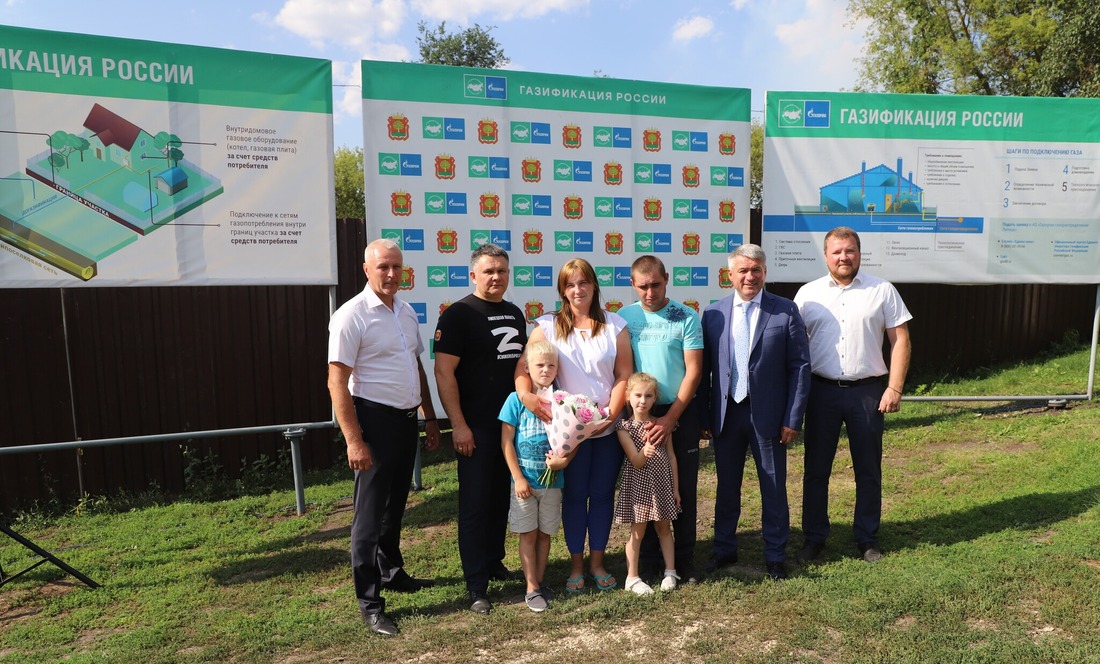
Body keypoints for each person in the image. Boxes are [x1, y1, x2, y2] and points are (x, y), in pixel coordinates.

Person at [327, 238, 442, 637]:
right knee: (368, 517)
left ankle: (392, 572)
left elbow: (416, 367)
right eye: (383, 267)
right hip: (373, 424)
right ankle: (370, 602)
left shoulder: (406, 311)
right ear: (366, 269)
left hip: (406, 422)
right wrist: (354, 440)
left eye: (397, 266)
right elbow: (336, 382)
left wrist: (429, 416)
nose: (392, 274)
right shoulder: (351, 316)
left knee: (395, 506)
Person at [794, 226, 912, 563]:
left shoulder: (882, 290)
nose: (844, 257)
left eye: (850, 251)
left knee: (868, 469)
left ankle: (867, 537)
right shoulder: (807, 295)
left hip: (869, 392)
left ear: (859, 253)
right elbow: (794, 347)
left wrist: (895, 386)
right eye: (837, 252)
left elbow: (900, 339)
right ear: (826, 255)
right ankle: (814, 537)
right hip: (821, 391)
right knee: (816, 469)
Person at [515, 258, 633, 594]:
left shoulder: (615, 326)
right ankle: (576, 565)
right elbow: (524, 369)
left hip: (607, 429)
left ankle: (597, 563)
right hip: (566, 435)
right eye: (570, 285)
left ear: (594, 285)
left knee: (601, 496)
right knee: (574, 496)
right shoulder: (547, 327)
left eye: (583, 283)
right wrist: (527, 397)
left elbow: (624, 373)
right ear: (562, 291)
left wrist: (611, 413)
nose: (577, 290)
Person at [699, 244, 811, 580]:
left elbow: (800, 367)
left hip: (770, 416)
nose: (750, 276)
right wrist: (705, 418)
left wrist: (793, 418)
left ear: (765, 273)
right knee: (726, 486)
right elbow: (705, 371)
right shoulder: (713, 313)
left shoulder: (785, 311)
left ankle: (776, 555)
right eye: (743, 271)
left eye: (756, 270)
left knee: (773, 486)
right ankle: (724, 550)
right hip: (727, 415)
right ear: (729, 275)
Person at [434, 244, 527, 615]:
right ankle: (476, 585)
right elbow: (444, 373)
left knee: (499, 500)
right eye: (489, 271)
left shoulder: (514, 313)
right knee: (474, 505)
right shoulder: (457, 315)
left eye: (502, 271)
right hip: (473, 428)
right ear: (473, 275)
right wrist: (458, 425)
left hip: (509, 428)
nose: (496, 277)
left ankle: (493, 561)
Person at [619, 255, 703, 583]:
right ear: (632, 285)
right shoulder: (624, 317)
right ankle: (651, 562)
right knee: (646, 490)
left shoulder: (686, 316)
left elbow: (694, 371)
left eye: (655, 284)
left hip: (678, 412)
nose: (650, 292)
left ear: (667, 278)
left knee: (682, 489)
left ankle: (684, 562)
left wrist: (670, 418)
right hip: (639, 417)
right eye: (642, 287)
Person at [499, 340, 569, 612]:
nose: (546, 370)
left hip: (552, 483)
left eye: (551, 365)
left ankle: (539, 583)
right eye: (539, 365)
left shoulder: (563, 400)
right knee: (527, 534)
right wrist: (517, 477)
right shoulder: (515, 400)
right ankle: (531, 586)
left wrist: (563, 460)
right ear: (526, 368)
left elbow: (571, 439)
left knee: (545, 534)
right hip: (525, 482)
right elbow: (506, 442)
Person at [615, 372, 681, 595]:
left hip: (662, 485)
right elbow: (635, 460)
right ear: (628, 397)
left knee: (664, 528)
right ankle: (632, 577)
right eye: (638, 395)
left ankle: (670, 572)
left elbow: (671, 456)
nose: (643, 400)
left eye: (648, 395)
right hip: (640, 487)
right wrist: (645, 452)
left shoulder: (661, 425)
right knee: (638, 532)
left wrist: (675, 488)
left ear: (655, 398)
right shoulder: (624, 428)